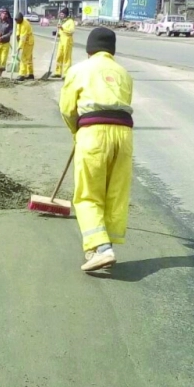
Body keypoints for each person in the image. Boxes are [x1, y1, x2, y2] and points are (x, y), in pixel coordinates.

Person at [59, 27, 134, 272]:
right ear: (112, 50)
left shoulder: (79, 70)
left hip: (93, 134)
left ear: (89, 49)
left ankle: (102, 249)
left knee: (88, 194)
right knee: (115, 193)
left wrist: (75, 132)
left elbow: (67, 109)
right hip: (124, 137)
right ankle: (104, 245)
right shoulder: (124, 73)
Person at [55, 7, 76, 78]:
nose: (60, 15)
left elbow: (71, 31)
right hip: (61, 41)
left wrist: (62, 28)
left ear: (65, 14)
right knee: (59, 56)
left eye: (62, 14)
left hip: (67, 41)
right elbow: (61, 31)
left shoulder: (70, 21)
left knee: (66, 58)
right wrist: (58, 33)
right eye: (60, 14)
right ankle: (57, 72)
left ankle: (66, 74)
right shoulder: (61, 21)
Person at [15, 12, 35, 81]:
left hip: (28, 42)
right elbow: (18, 32)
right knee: (29, 58)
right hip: (25, 41)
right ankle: (30, 74)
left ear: (21, 19)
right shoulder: (19, 22)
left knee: (24, 58)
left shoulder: (25, 25)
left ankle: (22, 74)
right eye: (16, 20)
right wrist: (17, 37)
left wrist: (19, 47)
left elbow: (23, 37)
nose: (17, 22)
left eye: (17, 20)